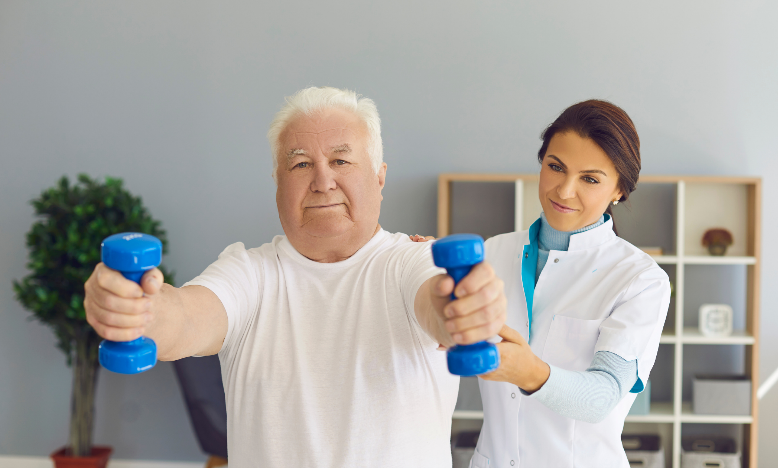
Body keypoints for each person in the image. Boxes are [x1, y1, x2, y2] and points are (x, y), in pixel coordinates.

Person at [82, 86, 507, 467]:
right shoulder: (249, 273)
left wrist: (462, 309)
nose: (323, 181)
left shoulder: (413, 262)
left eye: (341, 160)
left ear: (379, 177)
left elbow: (437, 301)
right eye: (301, 164)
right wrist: (137, 310)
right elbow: (186, 317)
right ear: (277, 182)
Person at [470, 100, 671, 468]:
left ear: (619, 191)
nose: (563, 191)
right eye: (555, 167)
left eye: (590, 179)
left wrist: (529, 372)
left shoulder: (640, 280)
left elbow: (603, 396)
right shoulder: (491, 253)